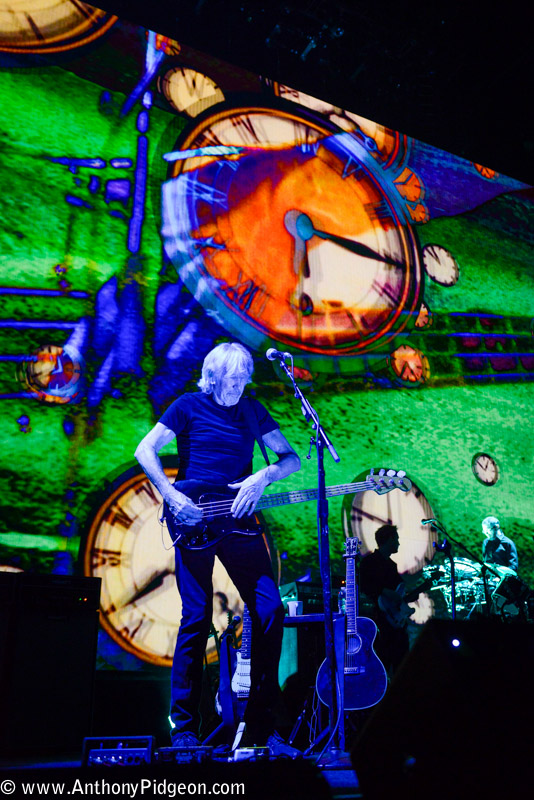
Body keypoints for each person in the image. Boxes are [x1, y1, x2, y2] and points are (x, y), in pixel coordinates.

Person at [134, 342, 301, 756]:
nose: (238, 388)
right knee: (196, 615)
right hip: (193, 518)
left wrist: (263, 476)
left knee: (270, 609)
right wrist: (173, 498)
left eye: (244, 381)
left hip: (239, 522)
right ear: (212, 378)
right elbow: (145, 449)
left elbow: (291, 459)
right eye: (231, 381)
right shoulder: (188, 405)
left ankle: (263, 722)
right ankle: (186, 728)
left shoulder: (252, 409)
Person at [359, 524, 412, 676]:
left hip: (395, 625)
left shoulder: (392, 565)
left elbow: (399, 595)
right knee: (381, 663)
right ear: (389, 539)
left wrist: (407, 597)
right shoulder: (369, 562)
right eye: (397, 539)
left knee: (401, 665)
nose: (399, 543)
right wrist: (384, 591)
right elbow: (365, 586)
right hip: (377, 621)